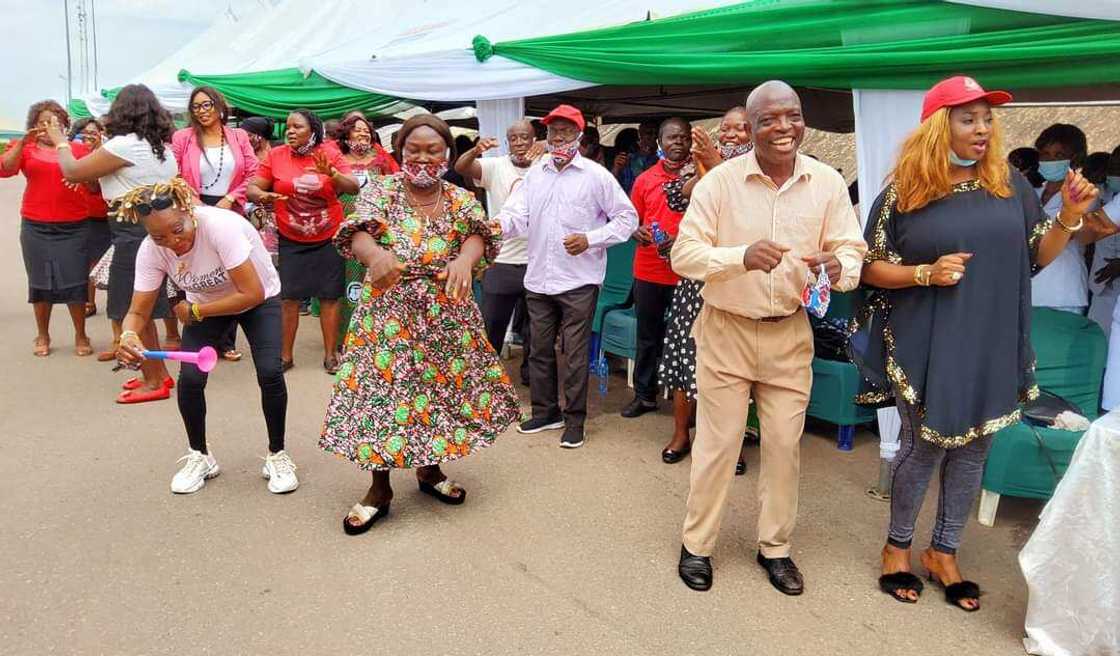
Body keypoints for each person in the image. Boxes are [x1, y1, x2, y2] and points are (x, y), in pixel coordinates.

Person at [853, 77, 1101, 611]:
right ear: (940, 125)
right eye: (969, 118)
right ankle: (897, 548)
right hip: (926, 342)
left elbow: (1038, 254)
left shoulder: (1008, 183)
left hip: (991, 338)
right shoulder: (906, 192)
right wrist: (925, 273)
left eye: (987, 118)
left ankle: (944, 552)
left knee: (974, 449)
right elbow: (869, 269)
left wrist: (1070, 216)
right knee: (924, 448)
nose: (983, 128)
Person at [672, 82, 866, 595]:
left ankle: (775, 549)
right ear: (751, 127)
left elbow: (852, 251)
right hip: (726, 331)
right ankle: (697, 545)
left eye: (792, 116)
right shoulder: (720, 184)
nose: (783, 127)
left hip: (789, 334)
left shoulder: (825, 182)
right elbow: (683, 255)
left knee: (783, 446)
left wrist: (837, 264)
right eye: (769, 119)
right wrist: (738, 256)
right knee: (718, 445)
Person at [319, 115, 520, 534]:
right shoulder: (383, 191)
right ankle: (379, 490)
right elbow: (357, 232)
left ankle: (429, 472)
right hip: (387, 315)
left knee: (436, 393)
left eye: (433, 150)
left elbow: (477, 233)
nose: (423, 158)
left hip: (444, 316)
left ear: (447, 154)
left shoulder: (460, 198)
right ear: (400, 151)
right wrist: (375, 256)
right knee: (382, 397)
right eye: (414, 149)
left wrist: (466, 259)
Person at [111, 178, 296, 495]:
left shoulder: (220, 227)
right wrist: (127, 335)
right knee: (191, 379)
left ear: (189, 211)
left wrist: (196, 313)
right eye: (159, 236)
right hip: (206, 304)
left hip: (258, 299)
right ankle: (200, 455)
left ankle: (277, 454)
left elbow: (250, 293)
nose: (172, 241)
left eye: (178, 229)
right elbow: (138, 312)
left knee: (269, 370)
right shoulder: (151, 251)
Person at [495, 105, 638, 448]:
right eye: (552, 131)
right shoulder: (535, 173)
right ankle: (546, 412)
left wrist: (591, 239)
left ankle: (575, 420)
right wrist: (496, 225)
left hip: (579, 281)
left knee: (574, 354)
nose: (558, 137)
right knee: (539, 349)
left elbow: (627, 219)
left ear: (579, 135)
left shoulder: (596, 175)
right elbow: (516, 214)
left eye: (565, 131)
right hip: (540, 277)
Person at [47, 84, 180, 403]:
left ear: (122, 112)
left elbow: (73, 170)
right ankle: (158, 374)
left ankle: (154, 381)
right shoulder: (159, 146)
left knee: (137, 310)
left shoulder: (126, 145)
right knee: (143, 306)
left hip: (132, 231)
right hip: (150, 228)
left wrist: (60, 142)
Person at [659, 107, 752, 468]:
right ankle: (682, 434)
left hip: (739, 280)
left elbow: (744, 204)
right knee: (687, 358)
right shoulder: (697, 165)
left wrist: (719, 167)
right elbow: (678, 196)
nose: (731, 134)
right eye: (726, 128)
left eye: (741, 129)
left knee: (735, 367)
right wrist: (706, 167)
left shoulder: (762, 171)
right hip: (696, 281)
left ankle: (733, 445)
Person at [246, 109, 359, 374]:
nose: (291, 131)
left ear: (313, 129)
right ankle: (285, 356)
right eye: (288, 126)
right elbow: (253, 188)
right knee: (289, 298)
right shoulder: (276, 155)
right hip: (292, 237)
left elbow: (353, 186)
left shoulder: (329, 152)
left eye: (297, 126)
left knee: (330, 295)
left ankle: (331, 355)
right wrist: (263, 196)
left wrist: (331, 172)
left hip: (329, 234)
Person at [172, 86, 260, 363]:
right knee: (198, 271)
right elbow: (173, 173)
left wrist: (232, 197)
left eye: (207, 104)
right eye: (196, 106)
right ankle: (198, 337)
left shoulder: (238, 136)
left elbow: (253, 171)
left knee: (232, 273)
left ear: (219, 106)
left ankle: (226, 341)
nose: (202, 111)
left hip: (230, 208)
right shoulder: (183, 138)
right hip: (193, 209)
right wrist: (194, 201)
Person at [1, 100, 94, 357]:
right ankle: (42, 334)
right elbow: (5, 168)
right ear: (33, 125)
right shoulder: (25, 148)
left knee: (76, 281)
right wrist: (22, 142)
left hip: (74, 225)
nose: (47, 126)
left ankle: (80, 334)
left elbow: (93, 181)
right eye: (42, 122)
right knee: (40, 281)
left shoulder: (78, 149)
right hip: (35, 225)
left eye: (53, 121)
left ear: (63, 124)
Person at [454, 118, 536, 384]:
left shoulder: (545, 166)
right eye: (514, 138)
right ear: (508, 141)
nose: (520, 142)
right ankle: (484, 379)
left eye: (526, 137)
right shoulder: (496, 165)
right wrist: (476, 151)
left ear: (534, 139)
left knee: (535, 330)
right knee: (492, 325)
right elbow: (461, 167)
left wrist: (547, 148)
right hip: (502, 260)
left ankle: (531, 378)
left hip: (537, 263)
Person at [622, 117, 693, 419]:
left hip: (688, 272)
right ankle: (645, 395)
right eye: (672, 138)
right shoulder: (645, 179)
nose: (678, 143)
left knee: (688, 341)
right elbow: (627, 218)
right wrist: (634, 230)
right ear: (660, 142)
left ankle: (687, 405)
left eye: (683, 138)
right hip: (649, 269)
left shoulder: (702, 177)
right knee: (647, 336)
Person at [336, 113, 401, 349]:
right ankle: (348, 340)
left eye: (366, 130)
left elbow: (398, 187)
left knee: (377, 281)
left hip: (378, 232)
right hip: (346, 232)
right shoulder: (337, 160)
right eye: (357, 130)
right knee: (348, 285)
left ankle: (378, 338)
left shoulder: (382, 160)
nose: (363, 134)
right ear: (346, 134)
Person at [1031, 124, 1097, 314]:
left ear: (1075, 158)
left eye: (1058, 155)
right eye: (1045, 154)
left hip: (1062, 294)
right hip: (1026, 293)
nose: (1050, 160)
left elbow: (1067, 234)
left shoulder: (1086, 196)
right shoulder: (1031, 194)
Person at [72, 118, 111, 320]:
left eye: (93, 132)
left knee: (109, 261)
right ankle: (89, 302)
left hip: (106, 215)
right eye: (84, 133)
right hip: (83, 214)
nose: (88, 136)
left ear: (101, 134)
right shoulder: (75, 154)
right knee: (87, 261)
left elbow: (95, 186)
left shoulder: (107, 153)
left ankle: (117, 302)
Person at [611, 120, 660, 194]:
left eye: (656, 134)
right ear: (640, 135)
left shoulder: (663, 157)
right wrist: (616, 169)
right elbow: (612, 184)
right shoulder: (627, 159)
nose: (654, 136)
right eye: (649, 133)